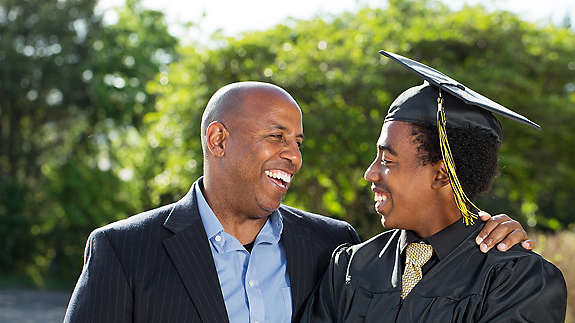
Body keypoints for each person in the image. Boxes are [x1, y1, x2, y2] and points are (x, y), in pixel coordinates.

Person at [64, 81, 533, 323]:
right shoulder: (123, 251)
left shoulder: (332, 249)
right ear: (218, 139)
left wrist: (480, 230)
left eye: (299, 141)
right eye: (276, 136)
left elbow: (435, 241)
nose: (292, 154)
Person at [301, 52, 567, 322]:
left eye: (387, 160)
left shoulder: (515, 279)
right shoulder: (349, 267)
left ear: (441, 175)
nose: (370, 173)